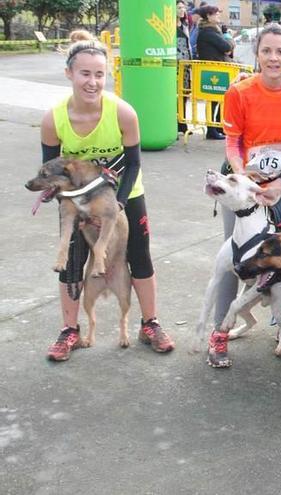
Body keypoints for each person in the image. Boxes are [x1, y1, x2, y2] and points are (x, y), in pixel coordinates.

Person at [40, 39, 175, 361]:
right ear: (69, 73)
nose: (93, 82)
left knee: (139, 255)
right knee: (72, 262)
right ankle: (69, 330)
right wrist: (75, 209)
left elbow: (134, 164)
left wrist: (118, 206)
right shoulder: (53, 120)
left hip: (125, 194)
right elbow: (52, 173)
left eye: (100, 74)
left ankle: (150, 324)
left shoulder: (123, 113)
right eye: (85, 73)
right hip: (75, 198)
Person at [206, 25, 281, 367]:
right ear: (257, 55)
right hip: (243, 182)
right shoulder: (239, 92)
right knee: (234, 256)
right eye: (266, 51)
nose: (273, 58)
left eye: (280, 51)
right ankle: (219, 331)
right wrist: (242, 175)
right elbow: (233, 141)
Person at [196, 5, 232, 140]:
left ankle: (217, 126)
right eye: (216, 14)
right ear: (208, 16)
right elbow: (227, 47)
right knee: (213, 99)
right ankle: (212, 129)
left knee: (217, 99)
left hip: (216, 68)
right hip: (212, 69)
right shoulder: (208, 32)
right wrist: (228, 37)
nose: (218, 16)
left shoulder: (212, 31)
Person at [176, 1, 192, 135]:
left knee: (185, 93)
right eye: (179, 7)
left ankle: (182, 123)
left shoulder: (185, 24)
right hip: (175, 65)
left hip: (186, 65)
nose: (182, 10)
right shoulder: (168, 26)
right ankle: (176, 123)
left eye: (183, 8)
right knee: (175, 94)